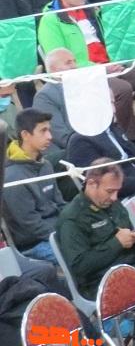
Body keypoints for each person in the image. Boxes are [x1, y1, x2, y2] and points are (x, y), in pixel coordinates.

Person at [39, 0, 135, 140]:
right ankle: (129, 137)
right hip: (84, 73)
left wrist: (116, 59)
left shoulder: (90, 9)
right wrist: (100, 69)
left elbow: (106, 40)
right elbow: (59, 62)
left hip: (109, 64)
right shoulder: (50, 21)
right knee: (122, 89)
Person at [57, 162, 135, 299]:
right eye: (110, 191)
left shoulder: (113, 205)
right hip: (107, 284)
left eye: (117, 191)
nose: (114, 197)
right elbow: (80, 268)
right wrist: (117, 243)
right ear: (91, 184)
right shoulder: (73, 218)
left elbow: (129, 250)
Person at [2, 109, 64, 263]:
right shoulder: (12, 177)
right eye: (43, 131)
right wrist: (67, 232)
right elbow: (30, 226)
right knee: (80, 254)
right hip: (34, 245)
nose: (49, 136)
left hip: (56, 231)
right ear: (25, 135)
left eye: (49, 130)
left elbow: (60, 203)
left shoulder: (45, 165)